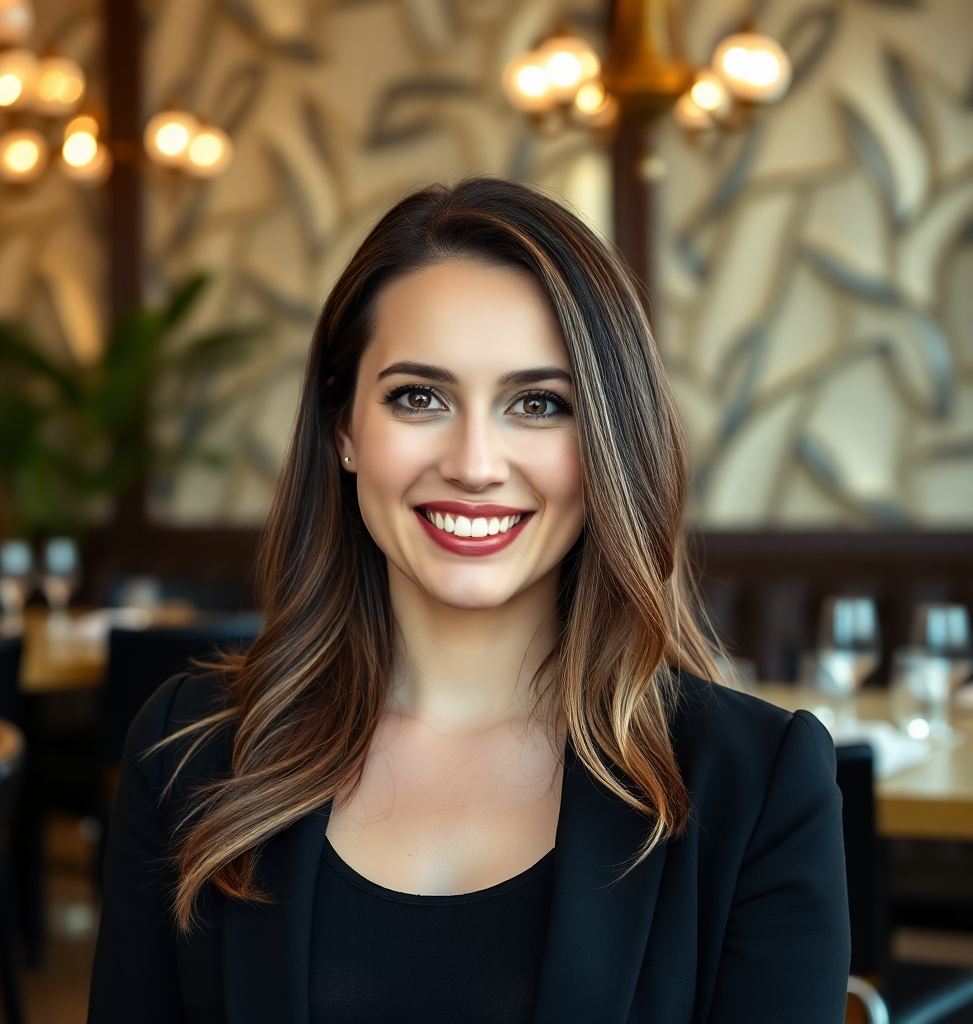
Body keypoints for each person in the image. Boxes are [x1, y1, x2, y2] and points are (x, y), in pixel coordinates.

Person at [88, 178, 850, 1023]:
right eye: (419, 397)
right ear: (343, 429)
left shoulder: (756, 785)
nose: (476, 462)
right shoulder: (188, 752)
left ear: (606, 439)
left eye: (538, 404)